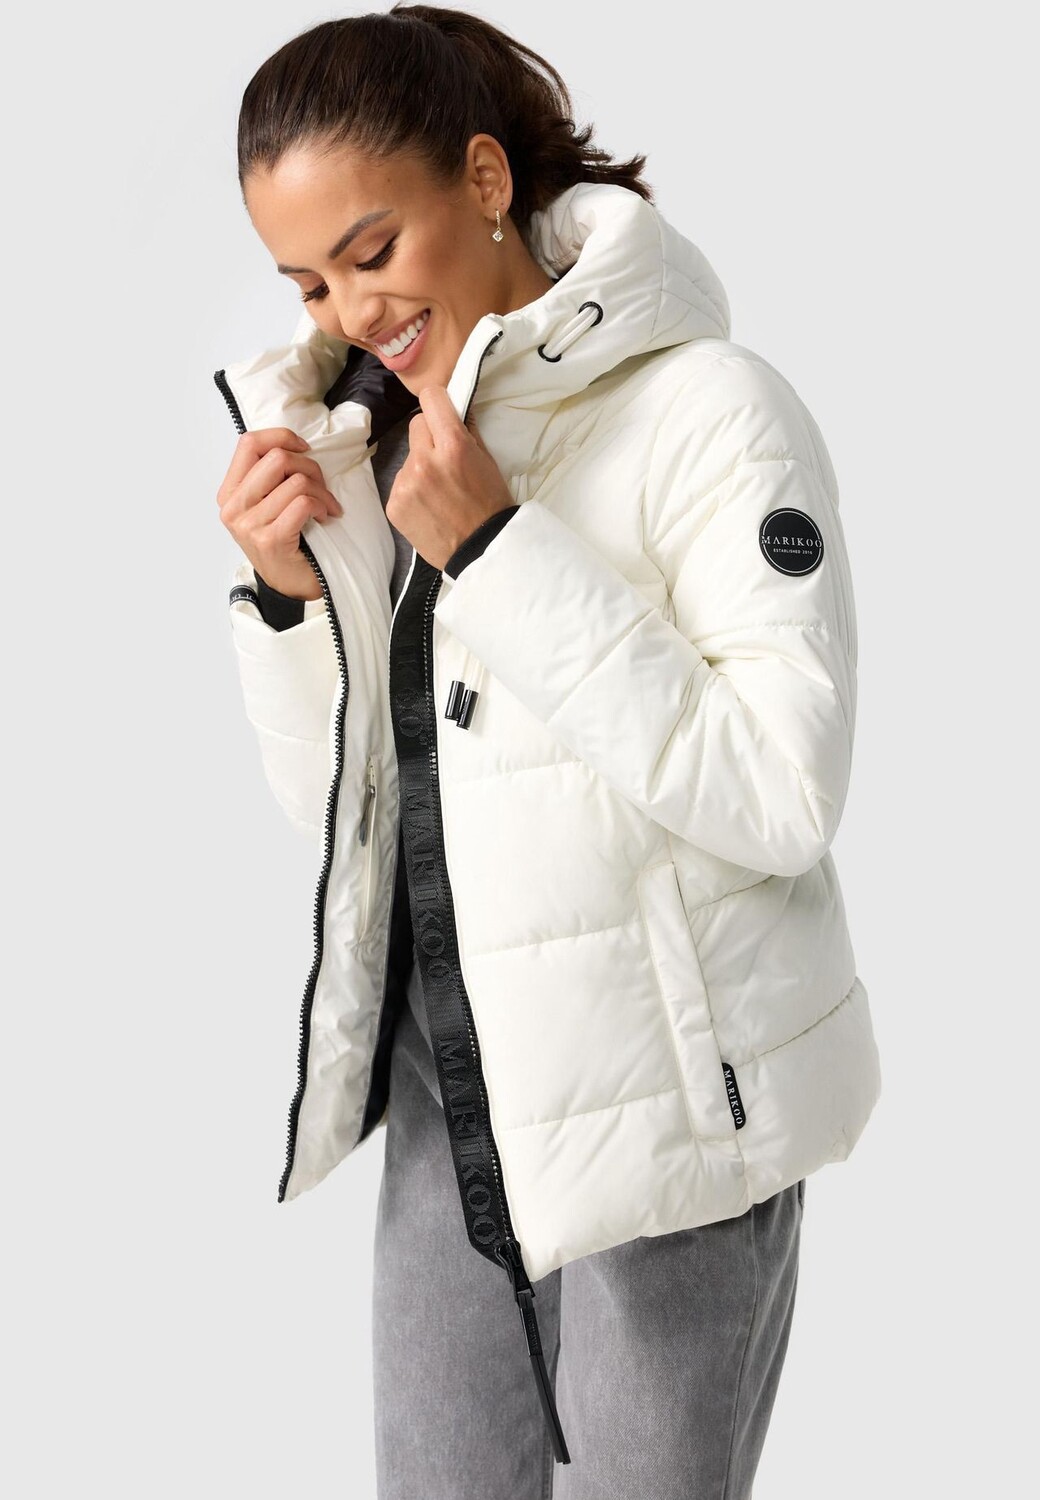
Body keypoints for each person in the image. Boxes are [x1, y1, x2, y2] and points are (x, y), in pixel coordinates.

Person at [213, 6, 882, 1496]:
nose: (352, 312)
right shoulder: (376, 449)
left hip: (673, 1141)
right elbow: (348, 818)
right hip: (450, 1116)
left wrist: (500, 552)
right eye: (310, 283)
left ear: (485, 178)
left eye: (374, 250)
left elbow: (782, 792)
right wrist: (289, 600)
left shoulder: (713, 412)